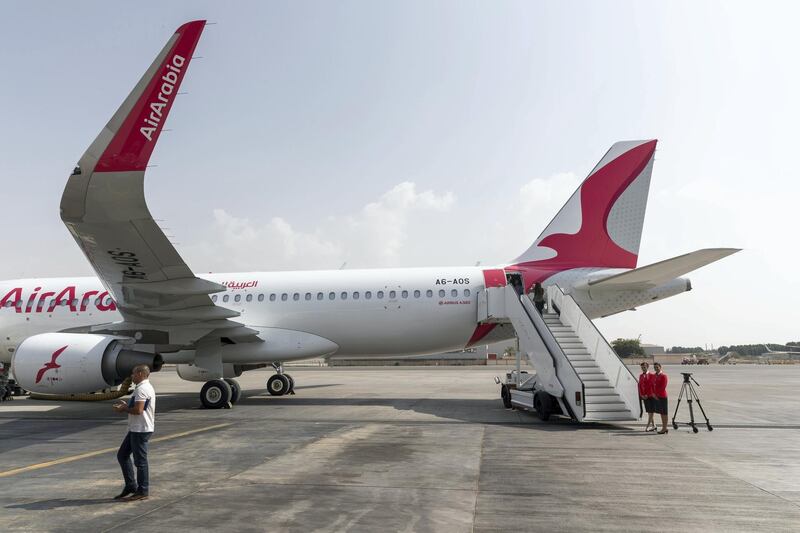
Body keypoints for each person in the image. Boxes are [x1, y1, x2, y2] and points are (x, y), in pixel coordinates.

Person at [113, 364, 156, 500]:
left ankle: (143, 490)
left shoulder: (142, 389)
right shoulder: (144, 388)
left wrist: (124, 409)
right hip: (136, 429)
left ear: (140, 374)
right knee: (122, 455)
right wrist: (126, 406)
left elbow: (138, 410)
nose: (131, 376)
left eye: (133, 374)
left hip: (140, 429)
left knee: (140, 461)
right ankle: (131, 485)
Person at [638, 361, 656, 432]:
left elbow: (651, 386)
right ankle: (654, 426)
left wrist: (647, 394)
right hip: (644, 397)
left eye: (644, 367)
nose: (643, 369)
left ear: (647, 367)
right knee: (649, 412)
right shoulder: (641, 376)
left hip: (650, 396)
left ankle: (647, 426)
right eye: (642, 367)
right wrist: (641, 395)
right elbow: (640, 386)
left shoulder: (652, 375)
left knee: (651, 412)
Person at [652, 362, 669, 434]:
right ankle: (665, 428)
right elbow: (652, 385)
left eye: (657, 367)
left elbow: (663, 386)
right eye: (654, 367)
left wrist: (656, 395)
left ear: (660, 367)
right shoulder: (654, 375)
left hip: (662, 396)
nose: (656, 368)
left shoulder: (663, 376)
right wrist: (653, 393)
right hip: (656, 397)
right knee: (661, 413)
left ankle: (664, 428)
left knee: (664, 413)